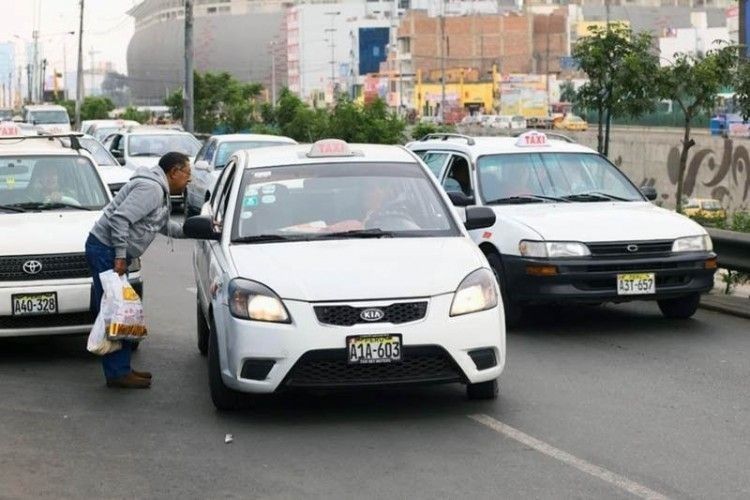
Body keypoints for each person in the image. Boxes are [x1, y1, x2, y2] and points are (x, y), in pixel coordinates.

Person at [85, 152, 192, 389]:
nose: (189, 180)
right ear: (174, 172)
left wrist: (196, 230)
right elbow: (120, 220)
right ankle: (117, 373)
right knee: (116, 310)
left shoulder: (158, 191)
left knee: (119, 309)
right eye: (187, 174)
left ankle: (121, 369)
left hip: (108, 250)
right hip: (106, 250)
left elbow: (161, 225)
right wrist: (121, 256)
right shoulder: (151, 190)